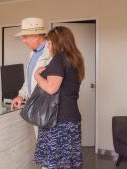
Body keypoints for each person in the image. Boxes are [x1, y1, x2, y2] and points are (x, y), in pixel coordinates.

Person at [33, 26, 85, 169]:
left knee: (54, 164)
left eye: (50, 42)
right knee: (67, 163)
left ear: (58, 42)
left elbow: (51, 88)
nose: (48, 45)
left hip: (58, 120)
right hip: (72, 119)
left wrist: (37, 76)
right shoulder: (75, 60)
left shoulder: (59, 59)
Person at [11, 17, 50, 110]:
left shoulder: (52, 52)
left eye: (25, 37)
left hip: (46, 106)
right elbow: (29, 80)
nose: (23, 41)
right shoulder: (33, 54)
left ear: (36, 35)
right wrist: (21, 95)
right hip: (34, 105)